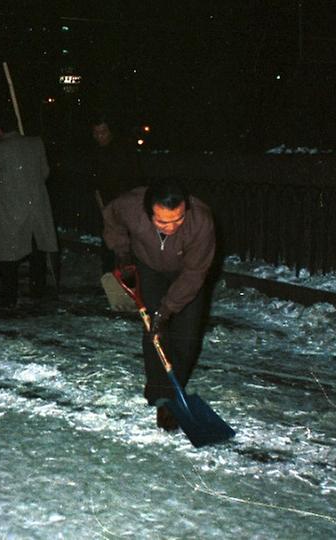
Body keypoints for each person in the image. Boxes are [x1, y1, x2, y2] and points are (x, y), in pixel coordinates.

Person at [103, 179, 216, 430]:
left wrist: (166, 310)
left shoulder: (200, 221)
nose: (172, 227)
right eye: (163, 222)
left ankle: (175, 386)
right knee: (153, 331)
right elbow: (111, 215)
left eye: (178, 219)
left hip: (187, 272)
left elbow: (194, 275)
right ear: (147, 212)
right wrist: (121, 251)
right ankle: (163, 397)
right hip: (149, 267)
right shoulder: (130, 207)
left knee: (186, 335)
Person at [0, 115, 58, 309]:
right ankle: (37, 290)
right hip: (36, 206)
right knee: (37, 248)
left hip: (9, 208)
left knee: (9, 254)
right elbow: (45, 172)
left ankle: (9, 297)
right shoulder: (35, 143)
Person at [90, 116, 144, 274]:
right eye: (96, 133)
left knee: (126, 247)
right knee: (108, 245)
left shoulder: (122, 150)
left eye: (103, 132)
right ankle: (111, 279)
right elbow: (96, 183)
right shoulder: (96, 152)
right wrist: (102, 206)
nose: (100, 136)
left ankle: (129, 281)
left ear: (110, 132)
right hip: (106, 205)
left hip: (124, 205)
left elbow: (132, 178)